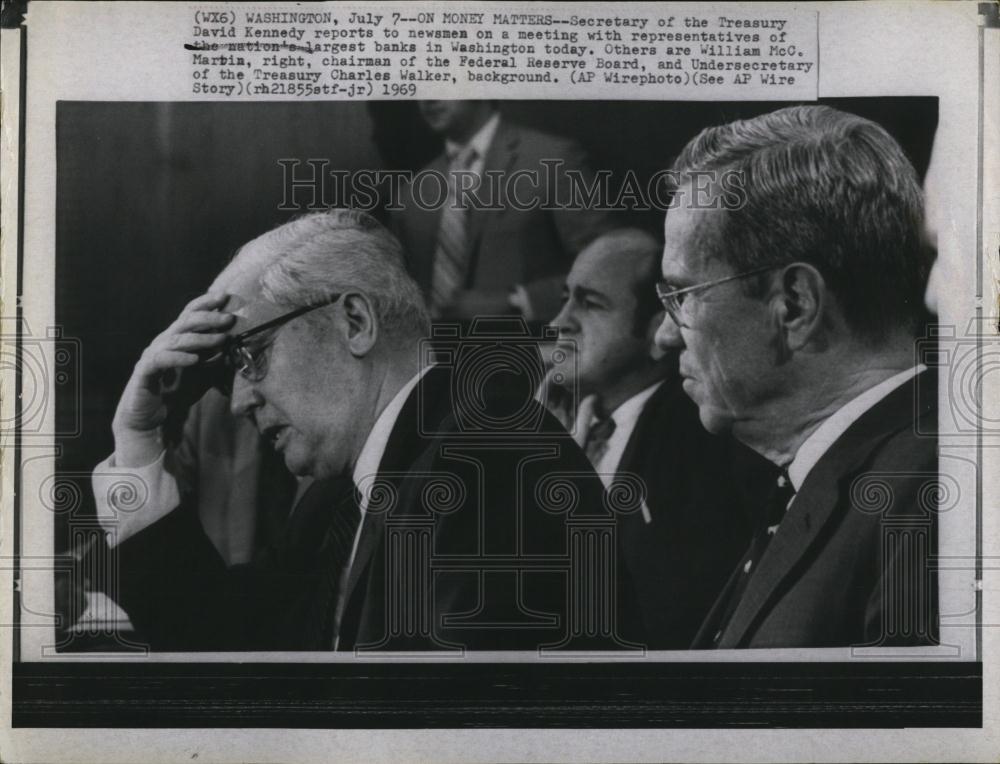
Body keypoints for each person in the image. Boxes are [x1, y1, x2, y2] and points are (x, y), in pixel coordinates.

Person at [97, 209, 618, 652]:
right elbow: (223, 636)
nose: (237, 401)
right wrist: (138, 436)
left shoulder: (490, 463)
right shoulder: (336, 501)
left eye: (249, 355)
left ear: (354, 322)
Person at [653, 105, 938, 649]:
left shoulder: (927, 502)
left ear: (793, 305)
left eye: (683, 295)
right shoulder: (851, 482)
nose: (667, 336)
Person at [545, 228, 768, 649]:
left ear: (655, 329)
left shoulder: (702, 444)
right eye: (563, 300)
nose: (560, 323)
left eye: (590, 303)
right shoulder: (552, 426)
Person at [92, 232, 300, 568]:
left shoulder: (326, 420)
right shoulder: (215, 411)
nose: (239, 401)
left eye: (253, 353)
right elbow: (164, 519)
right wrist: (145, 430)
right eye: (233, 360)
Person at [392, 101, 611, 322]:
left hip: (532, 351)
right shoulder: (410, 193)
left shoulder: (554, 160)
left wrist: (518, 302)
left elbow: (610, 268)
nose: (428, 98)